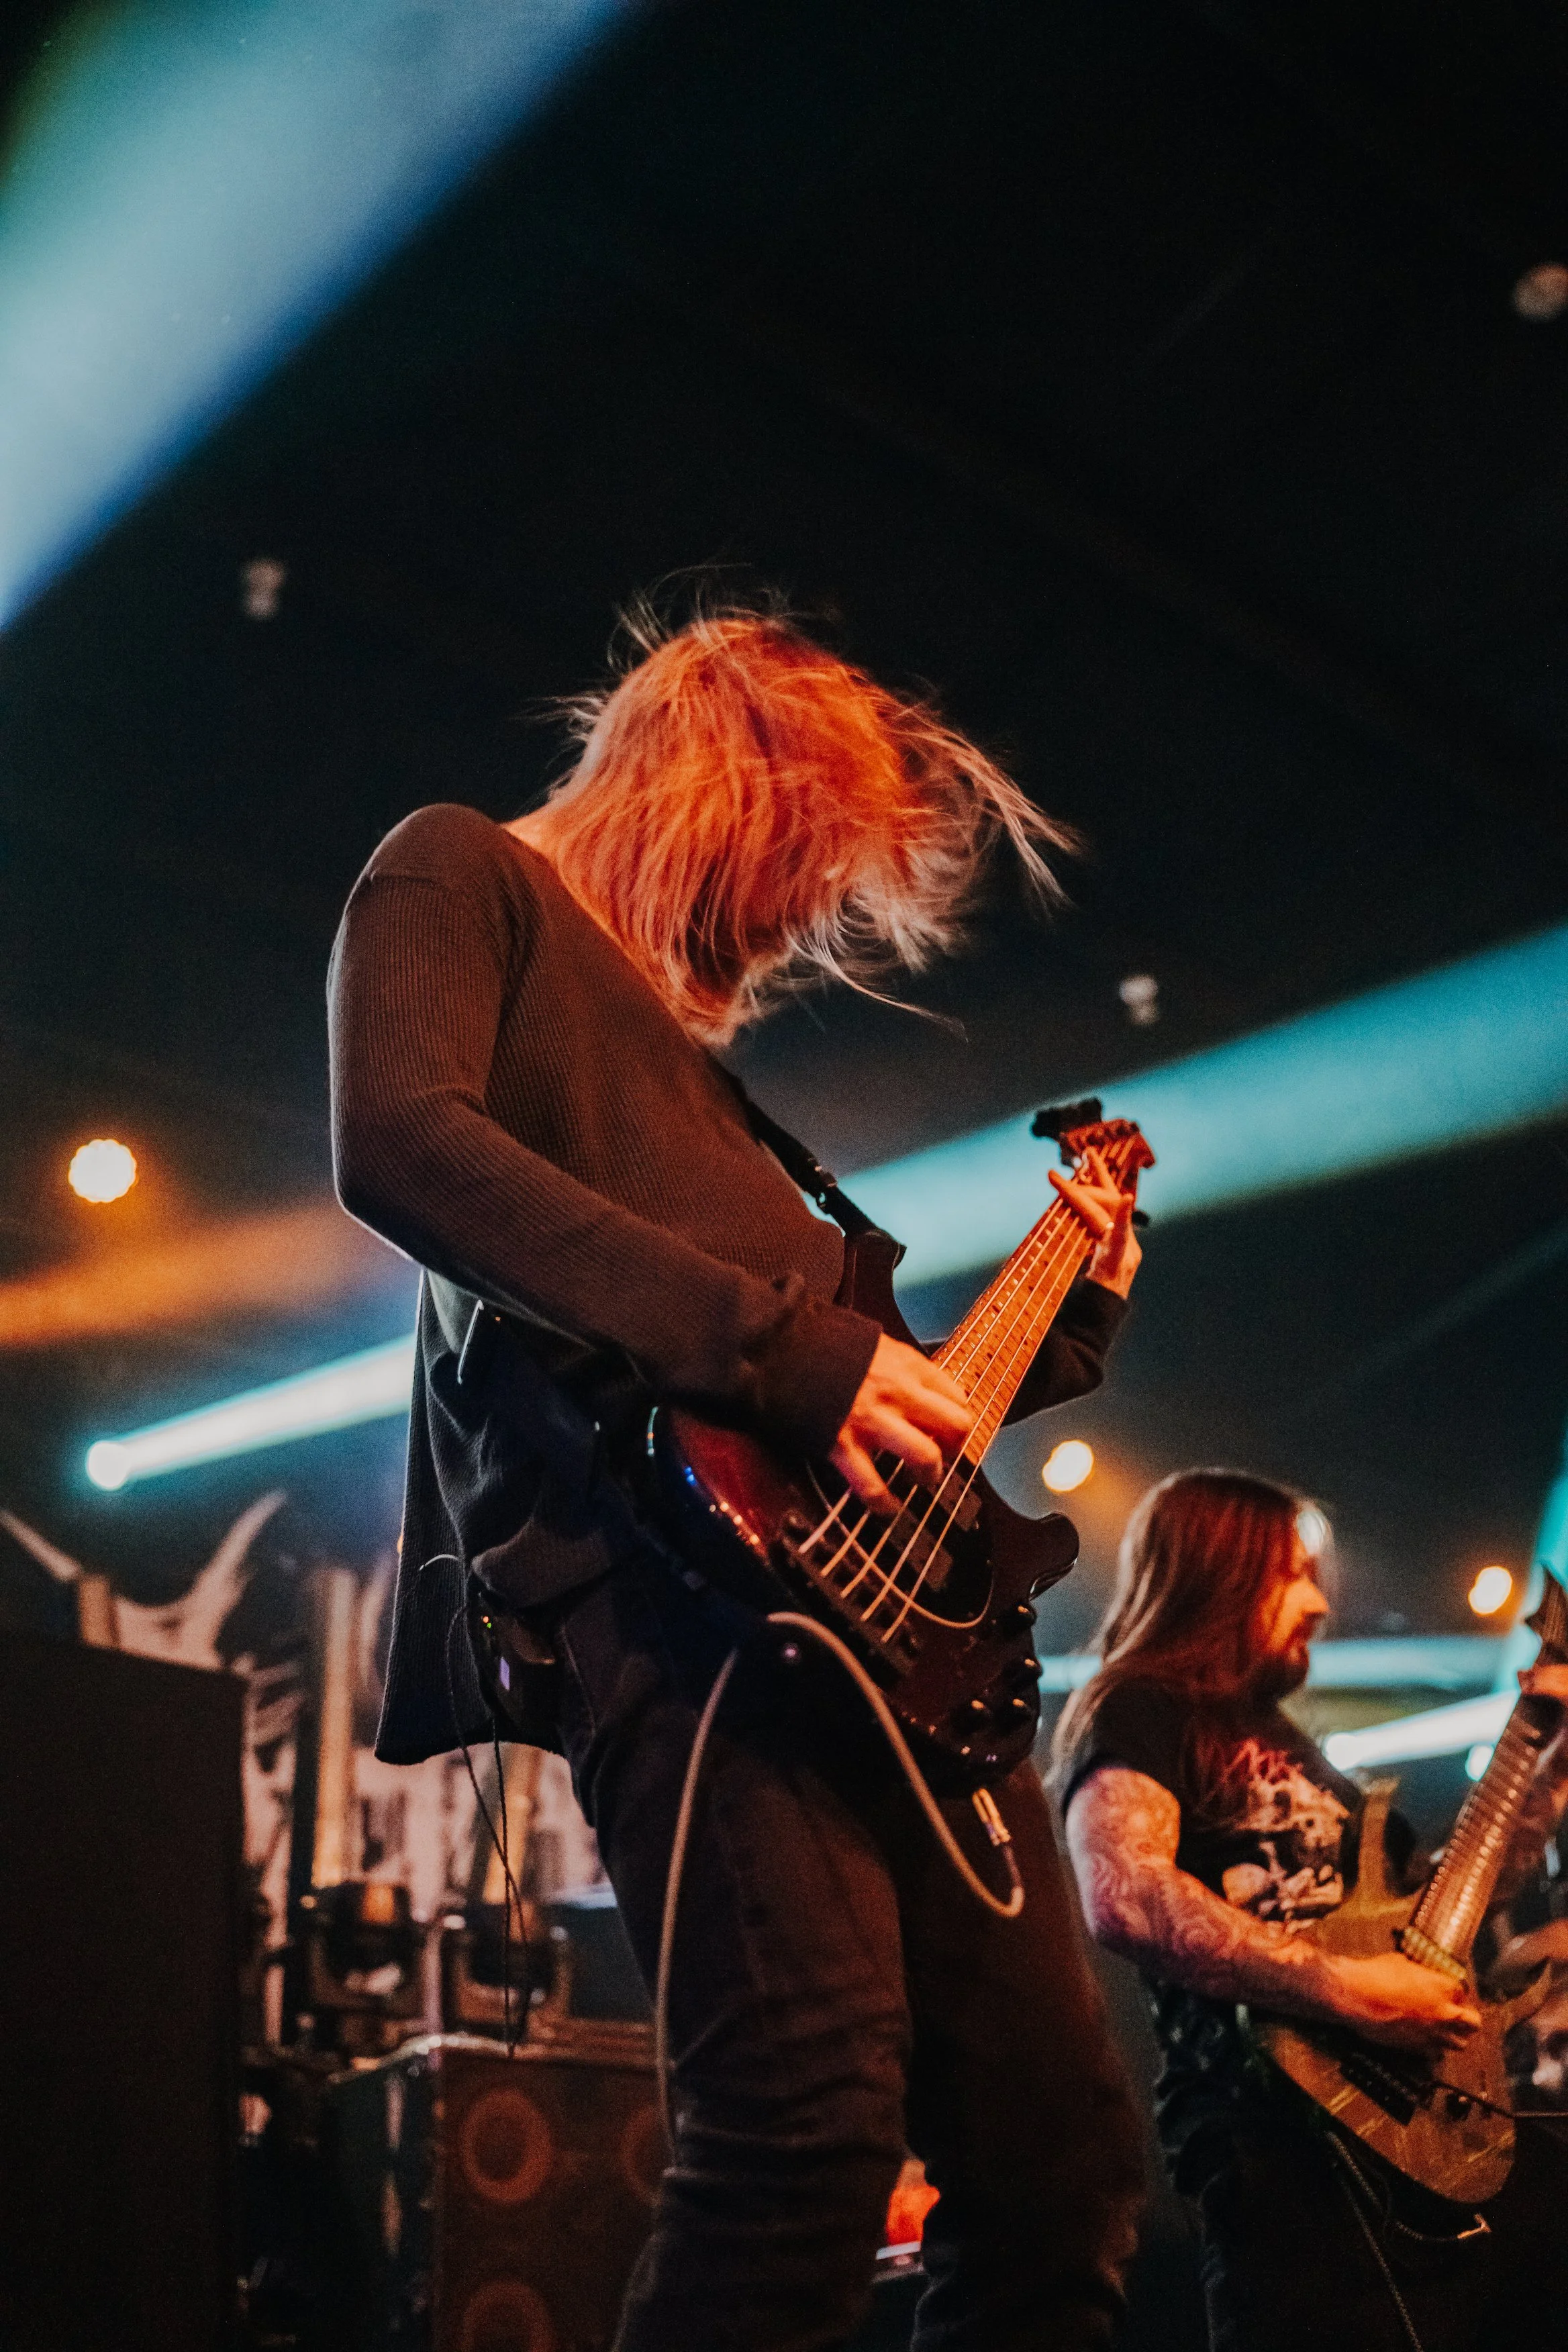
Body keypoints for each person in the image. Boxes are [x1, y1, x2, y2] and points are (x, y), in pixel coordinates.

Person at [328, 603, 1146, 2352]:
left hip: (913, 1664)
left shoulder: (722, 1112)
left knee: (1060, 2161)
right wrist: (789, 1353)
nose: (788, 924)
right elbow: (397, 1138)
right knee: (803, 2130)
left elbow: (896, 1410)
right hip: (681, 1617)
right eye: (795, 866)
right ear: (716, 779)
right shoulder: (460, 872)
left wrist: (1061, 1315)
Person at [1056, 1467, 1568, 2352]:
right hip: (1277, 2140)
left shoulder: (1302, 1752)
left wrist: (1547, 1763)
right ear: (1223, 1572)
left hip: (1419, 2126)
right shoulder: (1143, 1706)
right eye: (1292, 1574)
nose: (1319, 1604)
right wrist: (1350, 1991)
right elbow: (1126, 1896)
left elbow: (1442, 1923)